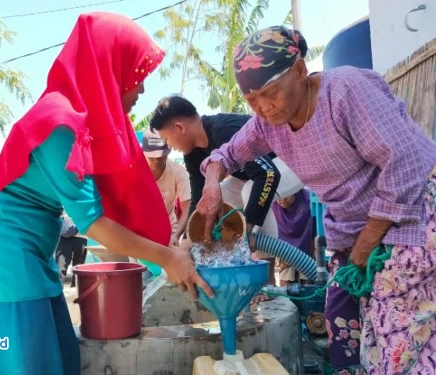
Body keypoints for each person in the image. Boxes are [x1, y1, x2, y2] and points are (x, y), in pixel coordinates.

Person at [0, 12, 213, 375]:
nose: (140, 90)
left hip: (33, 250)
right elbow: (93, 222)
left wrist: (170, 253)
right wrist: (168, 257)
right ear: (108, 69)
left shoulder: (84, 118)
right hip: (4, 253)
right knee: (30, 366)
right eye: (136, 77)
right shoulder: (59, 123)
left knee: (62, 361)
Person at [197, 25, 436, 375]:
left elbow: (406, 162)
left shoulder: (346, 90)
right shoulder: (267, 124)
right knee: (341, 324)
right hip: (355, 232)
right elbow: (227, 154)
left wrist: (367, 244)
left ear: (299, 70)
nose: (262, 107)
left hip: (410, 219)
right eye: (251, 100)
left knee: (394, 339)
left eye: (270, 93)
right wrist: (212, 183)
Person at [149, 95, 304, 285]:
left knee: (250, 190)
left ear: (180, 128)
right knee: (222, 192)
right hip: (255, 176)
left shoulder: (223, 129)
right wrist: (187, 241)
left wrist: (246, 231)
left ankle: (266, 278)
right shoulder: (193, 154)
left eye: (166, 139)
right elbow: (200, 198)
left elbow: (268, 175)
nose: (169, 147)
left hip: (291, 160)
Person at [142, 129, 191, 246]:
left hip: (169, 229)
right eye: (152, 156)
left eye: (161, 155)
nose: (157, 160)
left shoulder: (178, 171)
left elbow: (187, 206)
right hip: (139, 232)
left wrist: (176, 236)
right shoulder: (134, 169)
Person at [271, 189, 315, 286]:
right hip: (284, 251)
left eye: (286, 194)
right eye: (279, 196)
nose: (282, 199)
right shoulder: (273, 204)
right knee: (286, 281)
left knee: (308, 281)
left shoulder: (308, 200)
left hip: (308, 248)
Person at [55, 211, 87, 287]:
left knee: (78, 268)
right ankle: (58, 291)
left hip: (81, 237)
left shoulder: (85, 201)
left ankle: (77, 289)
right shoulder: (63, 201)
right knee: (60, 266)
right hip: (64, 236)